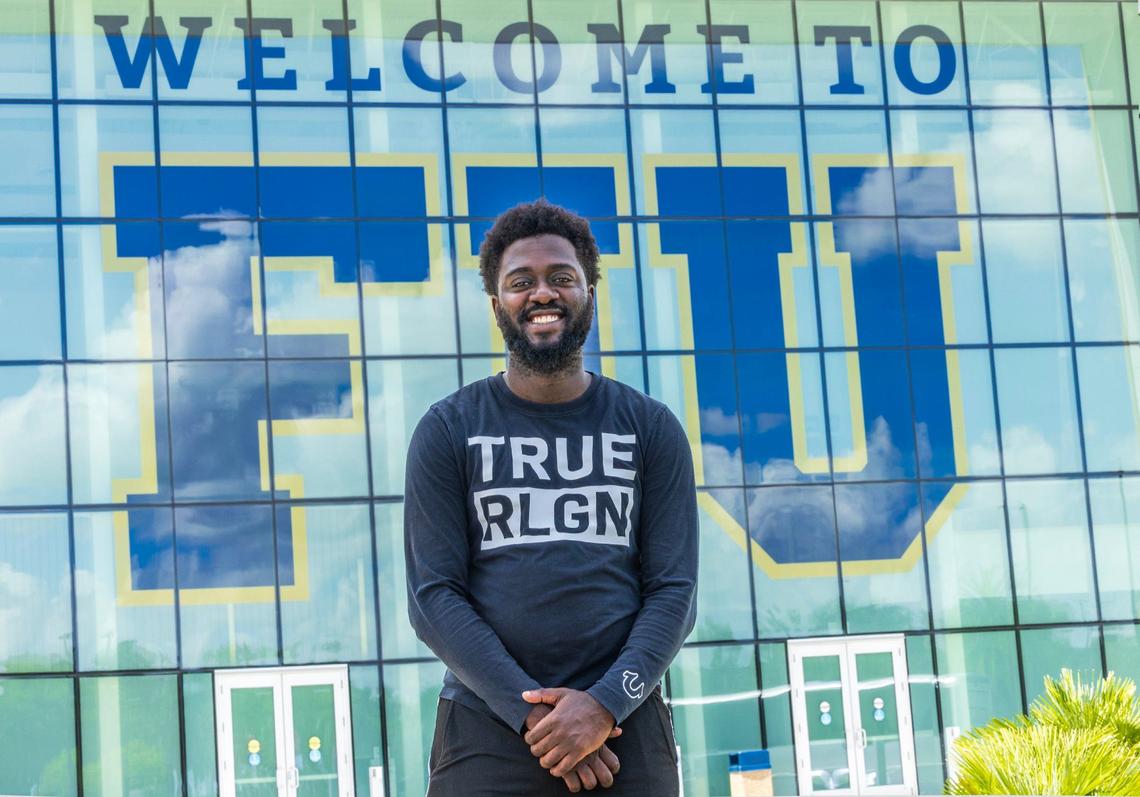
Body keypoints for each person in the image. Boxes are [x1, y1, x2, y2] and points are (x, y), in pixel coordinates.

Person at [404, 199, 699, 795]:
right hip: (485, 732)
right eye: (522, 282)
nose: (543, 293)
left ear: (589, 292)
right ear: (498, 306)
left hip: (625, 732)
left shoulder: (650, 427)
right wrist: (538, 718)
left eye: (562, 278)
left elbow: (674, 591)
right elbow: (434, 598)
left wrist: (605, 706)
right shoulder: (446, 429)